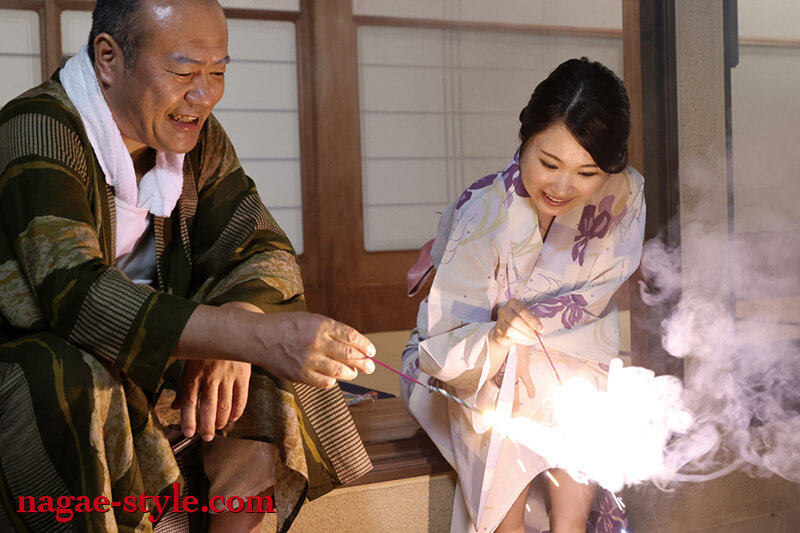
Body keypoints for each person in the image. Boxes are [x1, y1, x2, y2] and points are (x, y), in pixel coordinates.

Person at [0, 1, 376, 531]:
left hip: (147, 354)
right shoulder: (36, 128)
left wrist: (239, 326)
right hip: (39, 358)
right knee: (70, 375)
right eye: (183, 72)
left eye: (218, 72)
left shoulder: (193, 135)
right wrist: (245, 336)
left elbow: (262, 246)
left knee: (285, 356)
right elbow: (75, 296)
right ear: (108, 58)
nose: (204, 96)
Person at [402, 57, 645, 533]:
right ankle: (505, 525)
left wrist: (538, 333)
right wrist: (500, 336)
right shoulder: (483, 214)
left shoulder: (624, 194)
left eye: (587, 172)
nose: (562, 187)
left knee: (583, 391)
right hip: (463, 361)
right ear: (525, 137)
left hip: (568, 349)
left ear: (612, 165)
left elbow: (592, 302)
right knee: (507, 389)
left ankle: (570, 525)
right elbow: (444, 344)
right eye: (548, 164)